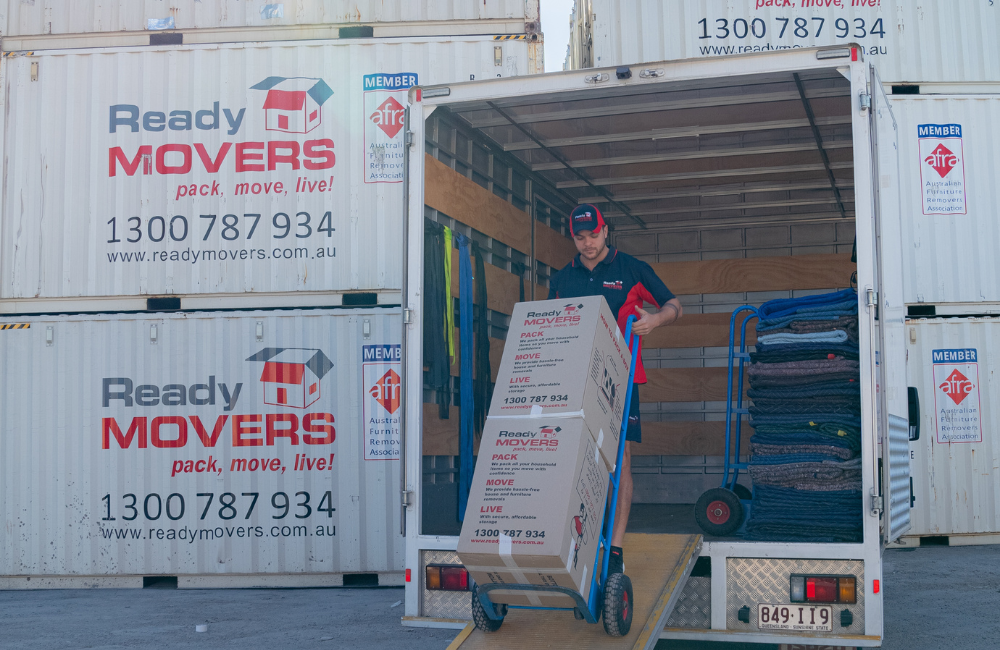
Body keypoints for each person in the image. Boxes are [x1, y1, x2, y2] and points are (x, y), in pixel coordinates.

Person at [547, 204, 682, 575]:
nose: (588, 244)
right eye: (580, 237)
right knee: (573, 457)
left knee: (619, 459)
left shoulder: (633, 269)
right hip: (573, 380)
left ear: (606, 231)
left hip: (620, 381)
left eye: (593, 235)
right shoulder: (561, 280)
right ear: (573, 238)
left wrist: (655, 320)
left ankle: (616, 548)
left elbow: (675, 305)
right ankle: (575, 538)